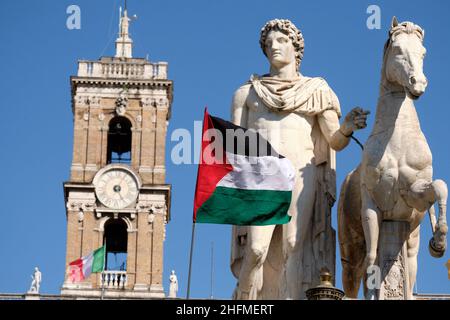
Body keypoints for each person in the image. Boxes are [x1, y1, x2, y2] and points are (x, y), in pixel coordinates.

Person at [230, 19, 369, 299]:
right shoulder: (246, 93)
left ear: (296, 47)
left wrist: (347, 127)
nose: (273, 47)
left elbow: (334, 141)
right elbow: (234, 148)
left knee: (295, 245)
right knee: (257, 249)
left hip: (299, 174)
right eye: (268, 43)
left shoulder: (317, 90)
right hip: (262, 174)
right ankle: (243, 298)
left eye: (281, 41)